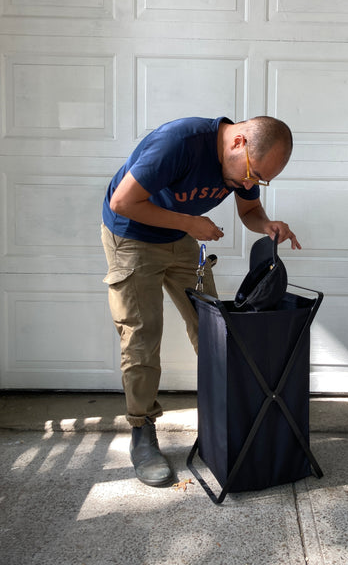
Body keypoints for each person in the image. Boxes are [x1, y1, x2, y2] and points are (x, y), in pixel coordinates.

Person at [101, 115, 301, 487]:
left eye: (260, 181)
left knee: (214, 328)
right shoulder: (178, 144)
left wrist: (267, 224)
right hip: (131, 236)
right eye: (252, 174)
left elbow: (249, 211)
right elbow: (122, 202)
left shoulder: (243, 167)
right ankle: (142, 433)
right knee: (142, 336)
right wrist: (190, 224)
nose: (249, 184)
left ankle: (228, 418)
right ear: (238, 143)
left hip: (180, 237)